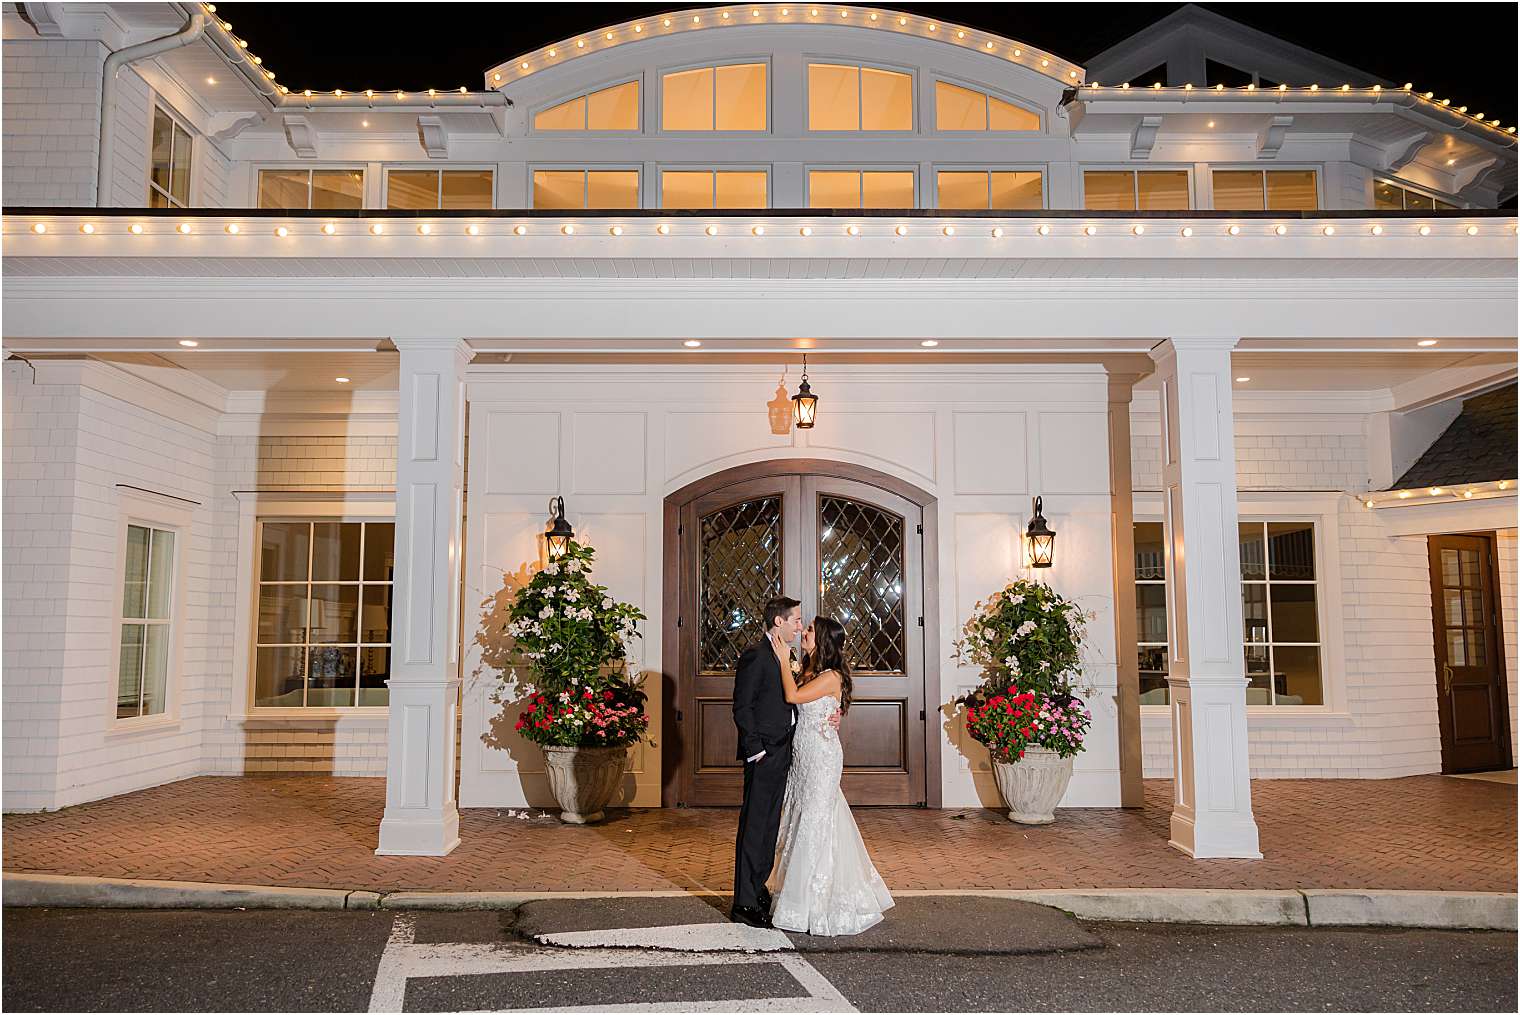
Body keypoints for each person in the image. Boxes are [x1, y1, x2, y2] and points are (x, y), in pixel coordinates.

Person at [767, 615, 894, 936]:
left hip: (822, 757)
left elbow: (793, 698)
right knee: (802, 816)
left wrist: (783, 660)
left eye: (809, 630)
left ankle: (813, 902)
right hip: (803, 756)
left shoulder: (831, 676)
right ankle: (795, 894)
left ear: (822, 639)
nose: (804, 633)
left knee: (815, 820)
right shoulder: (809, 669)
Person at [729, 596, 804, 929]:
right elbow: (742, 707)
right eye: (796, 620)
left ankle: (758, 887)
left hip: (784, 751)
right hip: (764, 754)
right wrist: (755, 750)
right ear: (779, 622)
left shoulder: (785, 657)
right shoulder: (756, 656)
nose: (800, 626)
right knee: (754, 827)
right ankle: (743, 903)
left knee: (770, 827)